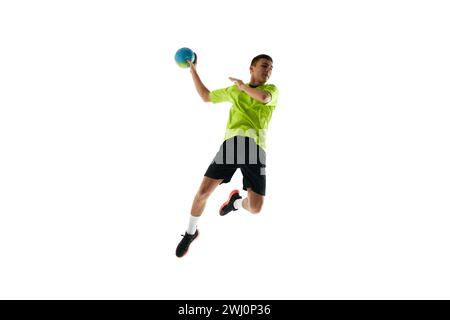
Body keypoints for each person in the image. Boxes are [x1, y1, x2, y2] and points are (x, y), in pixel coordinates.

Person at [176, 53, 279, 258]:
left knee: (256, 208)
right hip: (232, 146)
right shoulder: (235, 91)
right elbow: (206, 96)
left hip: (255, 150)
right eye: (264, 66)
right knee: (203, 192)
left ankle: (235, 203)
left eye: (271, 68)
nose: (268, 70)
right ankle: (190, 232)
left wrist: (243, 87)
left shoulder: (271, 90)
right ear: (251, 68)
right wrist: (193, 71)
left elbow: (263, 98)